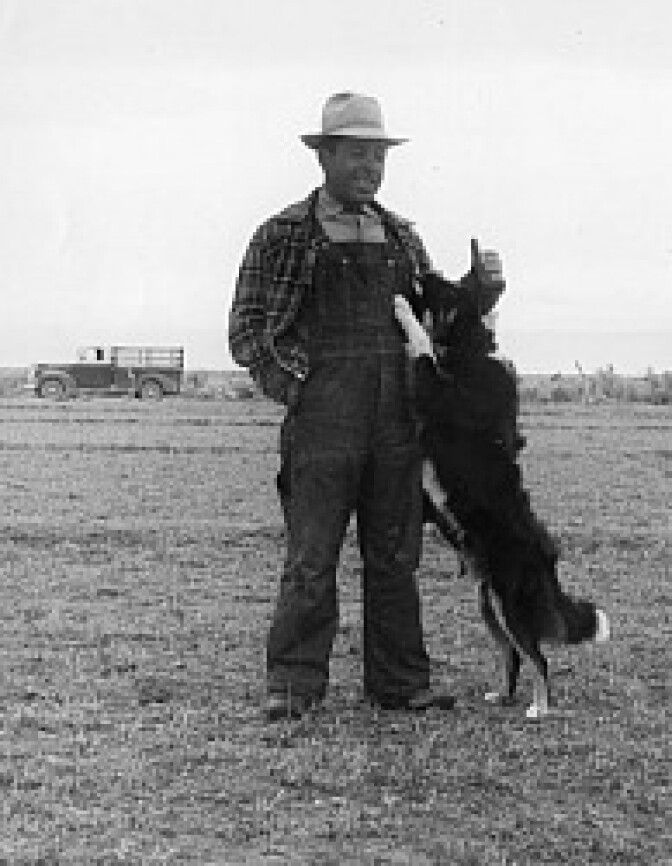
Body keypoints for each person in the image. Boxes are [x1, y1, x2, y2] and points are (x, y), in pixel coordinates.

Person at [229, 92, 504, 720]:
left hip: (397, 424)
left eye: (378, 155)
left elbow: (438, 320)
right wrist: (299, 386)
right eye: (356, 153)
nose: (370, 167)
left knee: (395, 557)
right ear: (324, 156)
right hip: (323, 423)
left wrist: (482, 293)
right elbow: (246, 330)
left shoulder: (403, 237)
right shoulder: (282, 235)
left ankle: (401, 685)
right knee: (310, 557)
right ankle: (294, 688)